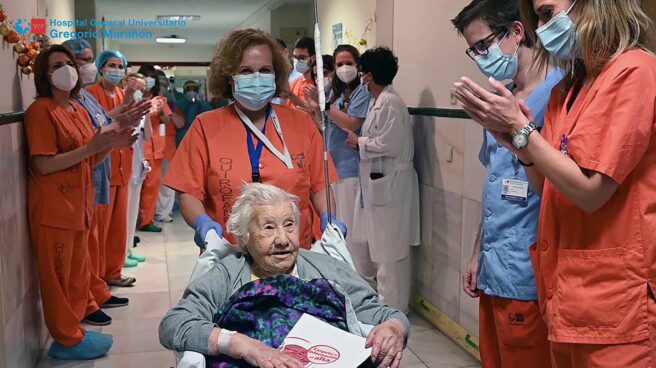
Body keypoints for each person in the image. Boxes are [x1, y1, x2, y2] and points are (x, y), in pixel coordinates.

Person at [455, 0, 656, 366]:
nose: (544, 29)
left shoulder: (634, 70)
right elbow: (544, 186)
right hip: (563, 292)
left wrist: (520, 129)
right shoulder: (569, 90)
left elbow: (591, 192)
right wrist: (518, 144)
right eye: (541, 17)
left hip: (614, 299)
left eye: (549, 14)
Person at [159, 183, 409, 368]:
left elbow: (384, 314)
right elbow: (174, 324)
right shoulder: (226, 275)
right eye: (268, 228)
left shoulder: (326, 269)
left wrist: (394, 328)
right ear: (244, 238)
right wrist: (240, 344)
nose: (282, 239)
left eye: (289, 225)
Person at [451, 1, 564, 366]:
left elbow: (562, 190)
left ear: (517, 32)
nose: (481, 58)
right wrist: (476, 255)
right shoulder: (501, 99)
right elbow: (495, 185)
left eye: (484, 46)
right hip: (494, 268)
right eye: (475, 51)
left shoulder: (560, 94)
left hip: (532, 273)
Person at [163, 28, 343, 251]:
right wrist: (203, 223)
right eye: (246, 71)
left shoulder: (302, 124)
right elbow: (188, 192)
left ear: (275, 75)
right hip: (229, 254)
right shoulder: (205, 127)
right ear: (229, 77)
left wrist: (329, 217)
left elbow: (320, 186)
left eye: (265, 70)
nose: (257, 78)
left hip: (293, 252)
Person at [24, 44, 136, 359]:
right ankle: (66, 340)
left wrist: (114, 144)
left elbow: (91, 157)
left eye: (69, 63)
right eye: (56, 65)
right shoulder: (41, 111)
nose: (67, 70)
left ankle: (75, 331)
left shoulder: (75, 109)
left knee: (77, 274)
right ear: (44, 76)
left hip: (80, 206)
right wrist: (93, 148)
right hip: (54, 209)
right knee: (58, 278)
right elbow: (43, 164)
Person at [61, 39, 150, 316]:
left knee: (111, 230)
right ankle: (93, 293)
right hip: (93, 174)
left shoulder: (82, 98)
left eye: (120, 66)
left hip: (112, 167)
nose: (85, 66)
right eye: (83, 60)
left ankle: (102, 283)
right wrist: (124, 109)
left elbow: (101, 124)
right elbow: (97, 127)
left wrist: (128, 112)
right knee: (93, 239)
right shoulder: (84, 96)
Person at [342, 47, 419, 314]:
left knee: (391, 251)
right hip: (381, 183)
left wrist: (358, 141)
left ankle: (393, 309)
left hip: (391, 185)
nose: (360, 77)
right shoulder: (381, 101)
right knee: (383, 248)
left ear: (369, 76)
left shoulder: (390, 103)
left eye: (362, 72)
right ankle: (388, 304)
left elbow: (389, 143)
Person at [306, 44, 372, 281]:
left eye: (349, 63)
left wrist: (324, 107)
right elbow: (325, 127)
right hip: (334, 168)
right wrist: (316, 109)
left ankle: (361, 278)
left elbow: (352, 123)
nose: (344, 68)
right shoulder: (335, 94)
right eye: (339, 64)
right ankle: (343, 273)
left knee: (354, 231)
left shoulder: (362, 93)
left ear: (358, 65)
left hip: (352, 169)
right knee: (339, 225)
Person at [86, 49, 142, 286]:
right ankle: (97, 279)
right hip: (102, 167)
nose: (117, 70)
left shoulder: (121, 92)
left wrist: (132, 100)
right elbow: (98, 123)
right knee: (101, 228)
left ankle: (113, 272)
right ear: (100, 67)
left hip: (123, 166)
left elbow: (133, 121)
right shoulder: (91, 93)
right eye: (112, 65)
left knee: (118, 226)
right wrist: (127, 100)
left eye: (121, 66)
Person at [137, 64, 173, 233]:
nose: (149, 80)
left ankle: (146, 220)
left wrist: (157, 110)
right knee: (135, 187)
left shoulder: (159, 99)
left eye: (152, 77)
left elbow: (167, 120)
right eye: (146, 76)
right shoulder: (134, 96)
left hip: (156, 149)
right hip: (137, 148)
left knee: (152, 188)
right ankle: (133, 220)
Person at [287, 37, 316, 110]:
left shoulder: (318, 84)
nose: (297, 61)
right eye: (295, 57)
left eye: (302, 57)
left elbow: (315, 113)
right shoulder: (295, 83)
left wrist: (291, 96)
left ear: (313, 58)